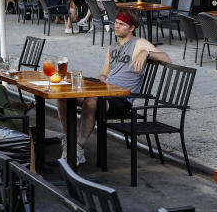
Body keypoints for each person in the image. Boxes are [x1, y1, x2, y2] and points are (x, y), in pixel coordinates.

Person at [57, 10, 171, 166]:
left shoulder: (139, 43)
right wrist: (95, 83)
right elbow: (104, 74)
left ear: (131, 28)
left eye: (122, 24)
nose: (116, 27)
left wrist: (147, 53)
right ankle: (67, 139)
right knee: (63, 94)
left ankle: (77, 149)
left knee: (92, 102)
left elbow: (167, 59)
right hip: (105, 91)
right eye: (116, 23)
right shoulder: (112, 48)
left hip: (121, 99)